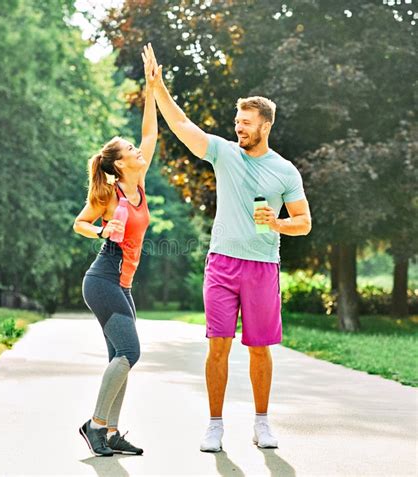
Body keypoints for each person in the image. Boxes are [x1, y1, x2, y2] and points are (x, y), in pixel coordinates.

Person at [142, 44, 311, 452]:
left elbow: (304, 223)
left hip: (262, 267)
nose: (239, 128)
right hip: (221, 263)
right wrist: (158, 87)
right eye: (237, 121)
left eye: (247, 123)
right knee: (218, 344)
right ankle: (215, 425)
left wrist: (278, 222)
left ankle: (262, 423)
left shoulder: (284, 170)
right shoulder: (223, 152)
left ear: (265, 126)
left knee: (259, 349)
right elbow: (182, 124)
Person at [73, 46, 158, 457]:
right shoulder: (108, 193)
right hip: (102, 279)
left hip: (122, 284)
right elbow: (79, 223)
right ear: (119, 164)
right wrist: (104, 228)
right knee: (129, 352)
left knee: (119, 359)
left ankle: (110, 432)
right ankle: (94, 425)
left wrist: (151, 88)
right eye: (132, 152)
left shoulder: (138, 184)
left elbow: (150, 134)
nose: (139, 152)